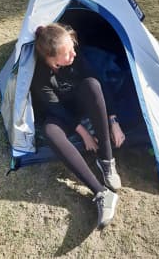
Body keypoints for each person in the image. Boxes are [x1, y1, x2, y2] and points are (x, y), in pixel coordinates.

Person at [31, 23, 126, 229]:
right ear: (52, 58)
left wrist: (113, 120)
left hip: (81, 102)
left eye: (73, 48)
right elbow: (56, 109)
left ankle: (106, 159)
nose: (74, 54)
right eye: (67, 53)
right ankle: (102, 193)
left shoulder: (75, 57)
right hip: (60, 113)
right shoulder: (39, 75)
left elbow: (98, 83)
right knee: (49, 131)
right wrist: (83, 133)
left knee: (92, 84)